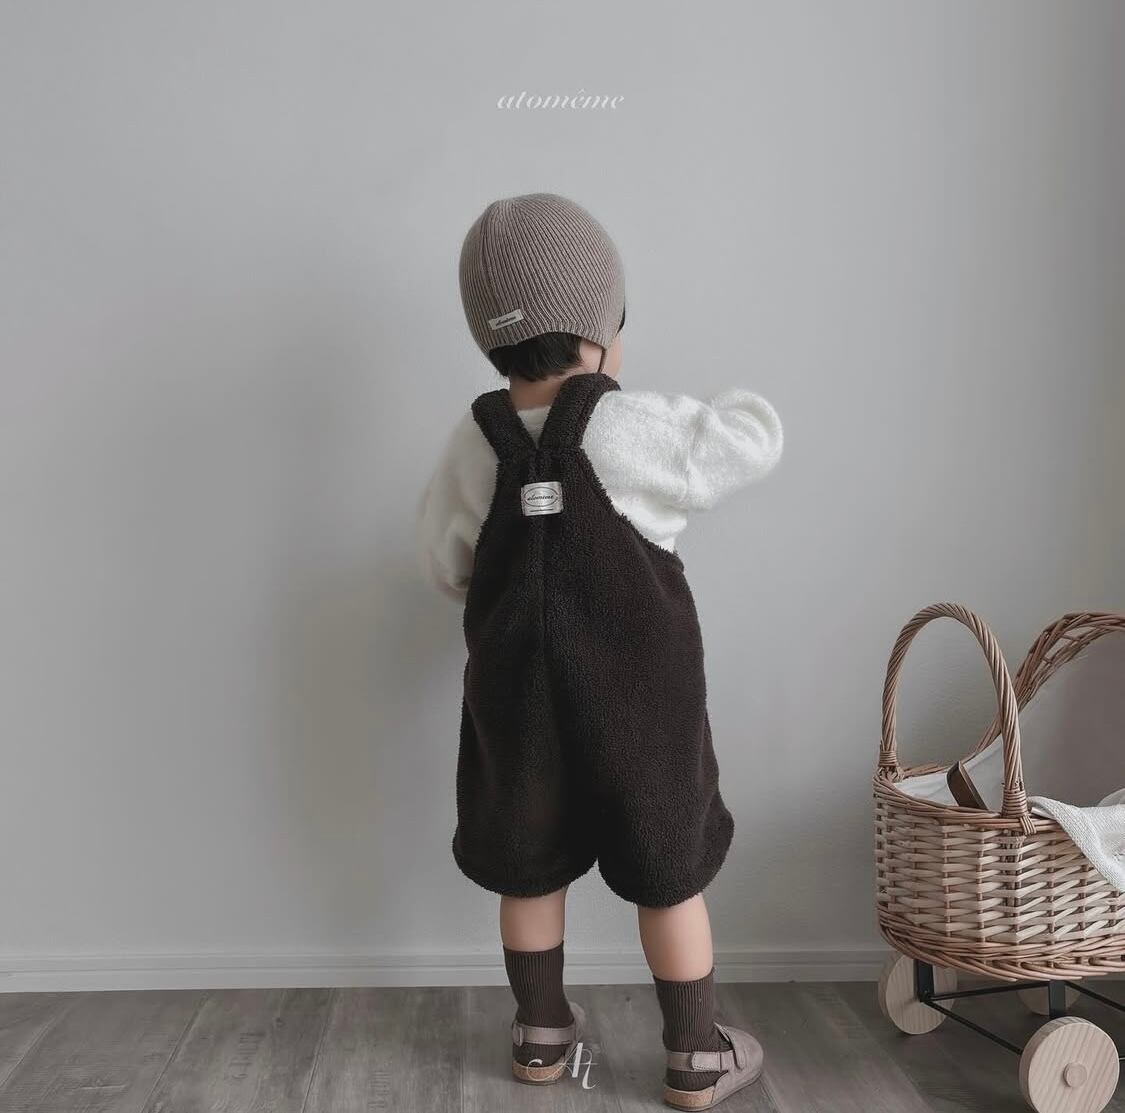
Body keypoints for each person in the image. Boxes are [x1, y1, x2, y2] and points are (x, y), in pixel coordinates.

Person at [416, 193, 783, 1109]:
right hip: (638, 699)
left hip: (515, 697)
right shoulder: (633, 428)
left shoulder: (471, 445)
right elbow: (752, 441)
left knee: (528, 859)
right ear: (599, 332)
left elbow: (444, 562)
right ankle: (694, 1053)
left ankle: (541, 1034)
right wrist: (734, 403)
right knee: (666, 867)